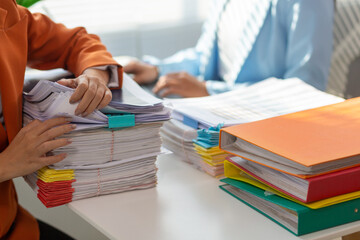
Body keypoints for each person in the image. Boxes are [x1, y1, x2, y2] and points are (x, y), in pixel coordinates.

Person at [0, 0, 123, 239]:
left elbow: (77, 42)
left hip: (11, 224)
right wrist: (5, 165)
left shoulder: (7, 12)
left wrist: (94, 75)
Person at [124, 0, 334, 98]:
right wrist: (158, 70)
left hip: (265, 127)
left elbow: (306, 87)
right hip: (215, 116)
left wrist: (208, 90)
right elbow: (206, 57)